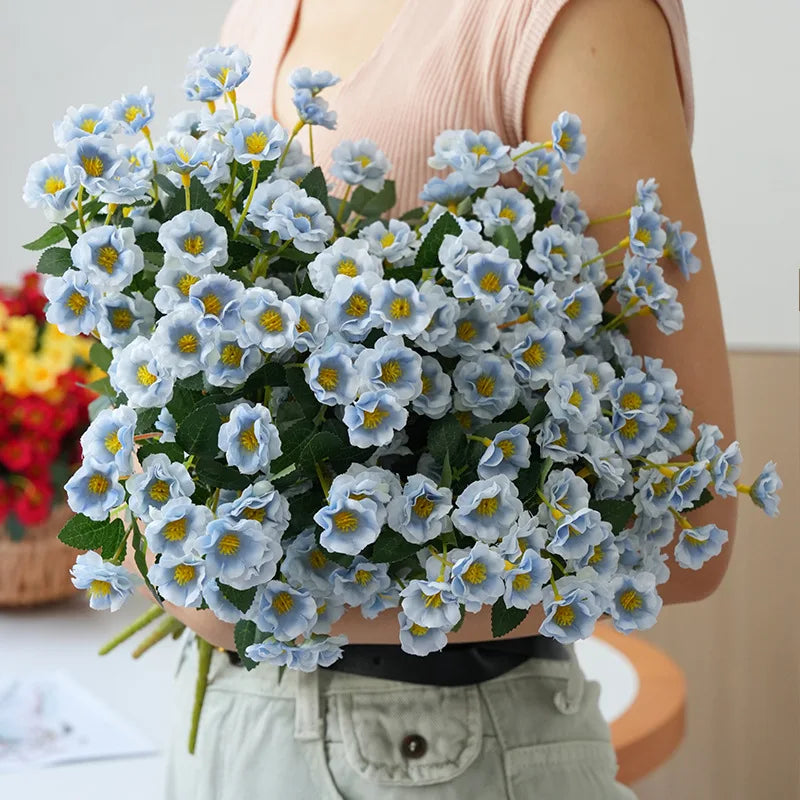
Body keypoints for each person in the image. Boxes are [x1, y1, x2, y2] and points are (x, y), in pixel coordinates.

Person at [157, 1, 738, 797]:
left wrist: (257, 608)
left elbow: (690, 519)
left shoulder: (570, 15)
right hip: (229, 736)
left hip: (433, 750)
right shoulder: (256, 15)